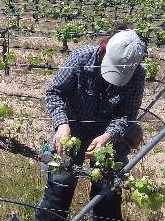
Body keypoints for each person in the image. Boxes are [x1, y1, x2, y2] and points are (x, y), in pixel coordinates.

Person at [35, 29, 146, 221]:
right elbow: (55, 93)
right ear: (103, 51)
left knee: (108, 187)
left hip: (109, 134)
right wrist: (62, 124)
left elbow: (126, 115)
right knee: (60, 182)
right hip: (72, 128)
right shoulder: (80, 58)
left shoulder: (137, 76)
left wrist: (108, 136)